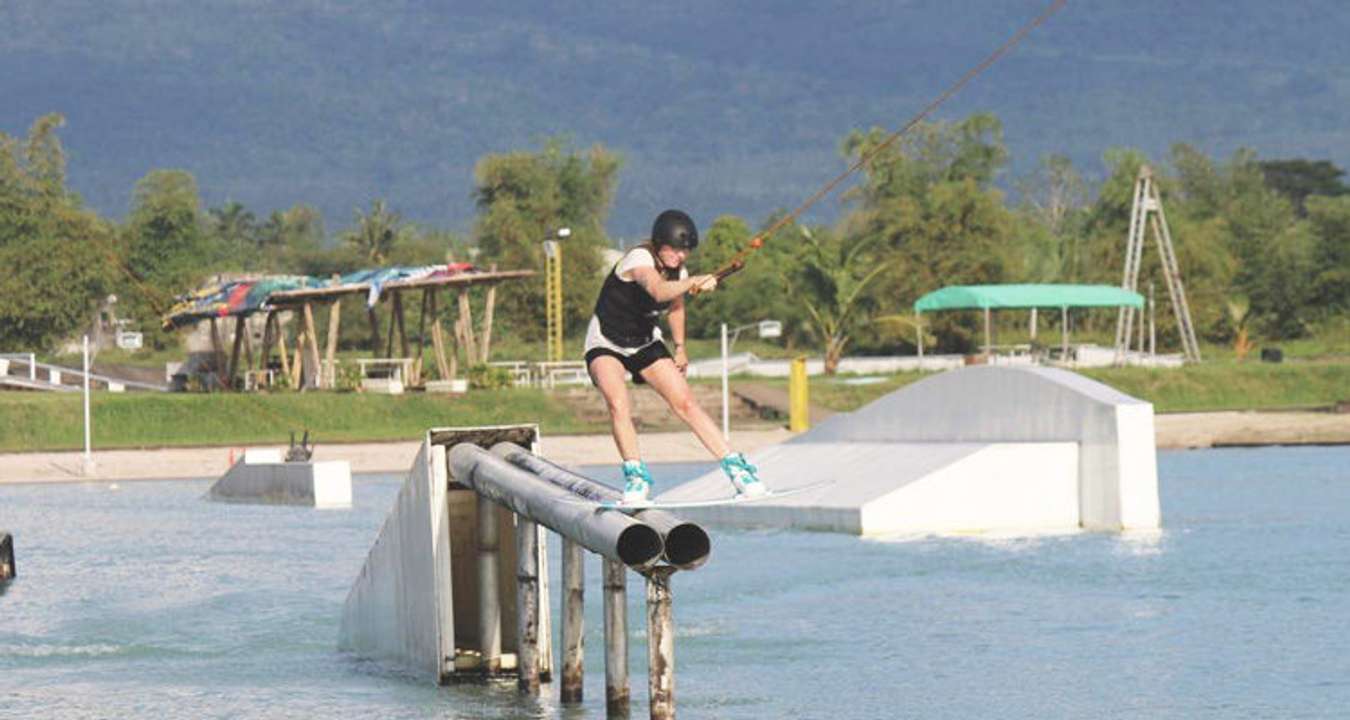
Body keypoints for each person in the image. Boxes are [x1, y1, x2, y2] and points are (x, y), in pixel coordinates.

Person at [585, 209, 768, 505]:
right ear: (659, 244)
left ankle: (738, 471)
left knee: (686, 402)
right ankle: (636, 478)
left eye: (685, 251)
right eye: (675, 249)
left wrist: (680, 347)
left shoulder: (678, 272)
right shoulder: (638, 260)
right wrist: (695, 279)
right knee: (618, 403)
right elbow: (658, 291)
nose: (680, 256)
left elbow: (675, 306)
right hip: (606, 340)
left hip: (645, 342)